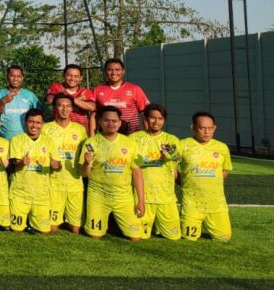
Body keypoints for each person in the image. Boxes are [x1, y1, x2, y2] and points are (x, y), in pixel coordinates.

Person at [79, 105, 145, 241]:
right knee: (95, 236)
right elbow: (85, 174)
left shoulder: (130, 143)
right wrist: (86, 163)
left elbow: (137, 173)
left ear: (119, 123)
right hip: (98, 195)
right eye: (107, 120)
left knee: (136, 238)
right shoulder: (91, 143)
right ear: (100, 122)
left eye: (114, 121)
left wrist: (141, 201)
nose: (111, 124)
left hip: (123, 196)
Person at [179, 111, 232, 242]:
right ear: (193, 127)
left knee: (224, 238)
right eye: (202, 128)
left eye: (210, 128)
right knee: (189, 238)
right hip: (192, 204)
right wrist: (181, 181)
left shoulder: (222, 147)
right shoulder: (183, 145)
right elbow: (170, 167)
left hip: (216, 204)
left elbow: (226, 169)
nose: (207, 132)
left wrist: (213, 182)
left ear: (215, 128)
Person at [130, 103, 181, 240]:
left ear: (164, 120)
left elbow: (178, 157)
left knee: (174, 237)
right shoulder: (134, 138)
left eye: (160, 118)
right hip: (142, 195)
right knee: (139, 235)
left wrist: (171, 153)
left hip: (166, 195)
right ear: (146, 118)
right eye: (152, 118)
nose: (156, 122)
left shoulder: (171, 139)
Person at [8, 109, 61, 234]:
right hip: (20, 193)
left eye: (38, 123)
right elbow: (14, 165)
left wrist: (56, 165)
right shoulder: (17, 140)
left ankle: (31, 223)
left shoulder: (49, 141)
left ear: (43, 124)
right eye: (31, 122)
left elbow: (58, 166)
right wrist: (22, 163)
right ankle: (25, 223)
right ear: (25, 122)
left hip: (41, 194)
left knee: (46, 231)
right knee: (16, 230)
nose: (34, 125)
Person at [42, 94, 87, 234]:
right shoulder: (45, 128)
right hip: (53, 183)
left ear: (72, 108)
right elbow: (39, 152)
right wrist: (49, 163)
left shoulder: (80, 129)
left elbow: (84, 155)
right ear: (54, 108)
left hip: (74, 183)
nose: (64, 109)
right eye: (60, 105)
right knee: (52, 228)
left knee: (75, 229)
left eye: (68, 106)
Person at [92, 58, 149, 135]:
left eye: (117, 70)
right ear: (105, 71)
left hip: (130, 136)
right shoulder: (97, 90)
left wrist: (148, 136)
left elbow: (145, 114)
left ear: (123, 71)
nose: (114, 73)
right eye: (110, 70)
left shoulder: (135, 89)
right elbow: (93, 116)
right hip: (106, 136)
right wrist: (92, 136)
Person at [44, 64, 95, 135]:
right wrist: (79, 100)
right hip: (59, 130)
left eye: (76, 76)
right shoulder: (57, 86)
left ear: (81, 78)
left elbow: (92, 107)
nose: (72, 79)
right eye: (69, 75)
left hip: (81, 131)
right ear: (64, 75)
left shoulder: (86, 92)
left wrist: (71, 99)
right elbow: (50, 100)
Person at [0, 65, 40, 139]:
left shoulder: (30, 95)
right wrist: (3, 101)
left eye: (18, 76)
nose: (15, 79)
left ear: (22, 78)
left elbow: (39, 115)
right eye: (12, 76)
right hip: (5, 139)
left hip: (25, 139)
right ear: (7, 77)